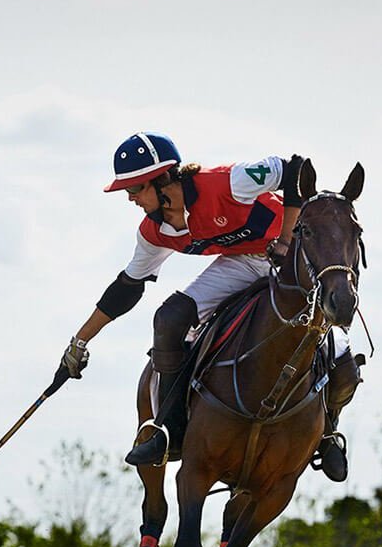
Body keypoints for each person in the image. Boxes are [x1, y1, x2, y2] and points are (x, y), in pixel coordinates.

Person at [60, 132, 360, 480]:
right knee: (170, 318)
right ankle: (168, 431)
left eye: (136, 189)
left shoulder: (230, 182)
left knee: (340, 352)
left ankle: (328, 433)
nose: (131, 198)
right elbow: (126, 289)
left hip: (294, 260)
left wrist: (285, 239)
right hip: (242, 264)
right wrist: (80, 341)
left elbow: (294, 169)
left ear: (162, 180)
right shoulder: (154, 231)